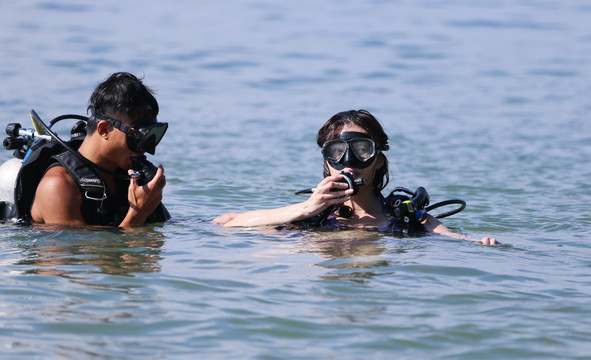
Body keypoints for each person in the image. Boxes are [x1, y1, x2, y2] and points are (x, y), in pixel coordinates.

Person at [214, 109, 498, 245]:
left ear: (378, 161)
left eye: (362, 150)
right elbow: (230, 225)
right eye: (337, 151)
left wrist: (481, 244)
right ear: (326, 162)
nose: (348, 162)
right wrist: (307, 208)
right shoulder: (309, 215)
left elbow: (457, 240)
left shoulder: (408, 218)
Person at [29, 72, 170, 227]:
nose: (145, 149)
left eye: (150, 137)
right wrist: (139, 212)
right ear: (104, 129)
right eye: (137, 138)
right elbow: (90, 250)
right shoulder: (58, 186)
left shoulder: (126, 176)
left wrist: (152, 202)